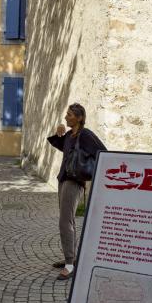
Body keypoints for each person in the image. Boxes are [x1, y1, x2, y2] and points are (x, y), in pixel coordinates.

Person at [47, 103, 106, 281]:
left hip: (74, 181)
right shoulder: (70, 135)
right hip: (63, 179)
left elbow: (102, 151)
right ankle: (70, 258)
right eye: (66, 114)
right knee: (68, 220)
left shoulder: (85, 134)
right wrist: (59, 134)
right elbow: (62, 148)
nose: (66, 117)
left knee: (65, 221)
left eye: (70, 114)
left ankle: (70, 265)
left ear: (79, 118)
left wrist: (90, 170)